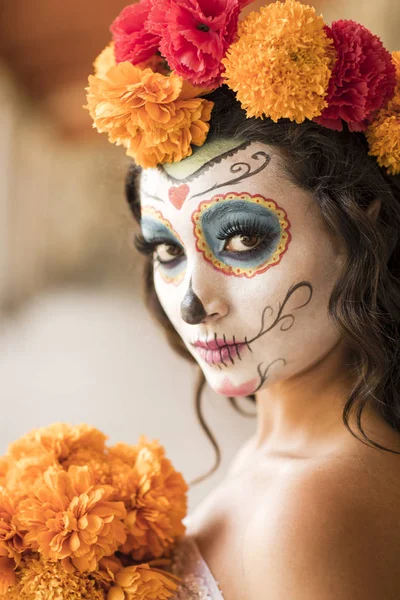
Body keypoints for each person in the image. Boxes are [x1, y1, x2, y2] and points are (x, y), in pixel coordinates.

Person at [86, 0, 400, 597]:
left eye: (243, 239)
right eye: (168, 251)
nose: (193, 303)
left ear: (363, 229)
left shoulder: (311, 507)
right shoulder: (291, 464)